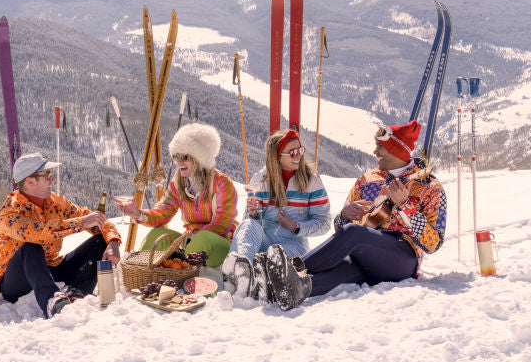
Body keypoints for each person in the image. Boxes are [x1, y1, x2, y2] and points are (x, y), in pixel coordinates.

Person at [262, 120, 447, 311]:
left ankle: (289, 270)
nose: (375, 151)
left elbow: (433, 243)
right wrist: (343, 215)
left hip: (403, 259)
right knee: (345, 270)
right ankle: (288, 289)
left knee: (354, 233)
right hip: (366, 257)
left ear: (396, 150)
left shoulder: (429, 186)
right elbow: (341, 234)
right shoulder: (367, 181)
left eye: (380, 146)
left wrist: (405, 205)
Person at [0, 152, 122, 318]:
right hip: (14, 281)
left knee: (100, 239)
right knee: (31, 247)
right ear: (30, 181)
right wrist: (81, 222)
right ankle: (52, 301)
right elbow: (38, 232)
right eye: (47, 175)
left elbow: (96, 220)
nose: (52, 179)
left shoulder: (56, 202)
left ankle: (77, 293)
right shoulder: (9, 211)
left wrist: (113, 241)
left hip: (49, 268)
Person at [222, 129, 331, 300]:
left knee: (275, 255)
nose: (298, 156)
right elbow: (249, 227)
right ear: (277, 156)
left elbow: (324, 223)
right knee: (248, 225)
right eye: (293, 152)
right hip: (266, 240)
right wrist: (252, 214)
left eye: (300, 150)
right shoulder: (261, 179)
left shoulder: (312, 181)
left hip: (293, 245)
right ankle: (242, 267)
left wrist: (296, 226)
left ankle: (253, 277)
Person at [117, 123, 237, 267]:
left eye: (185, 156)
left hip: (220, 244)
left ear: (200, 158)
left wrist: (189, 240)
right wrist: (139, 214)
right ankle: (141, 270)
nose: (179, 162)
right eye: (176, 156)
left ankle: (179, 268)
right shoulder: (177, 184)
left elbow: (221, 224)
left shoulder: (221, 183)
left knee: (203, 238)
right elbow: (163, 212)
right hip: (189, 243)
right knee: (158, 235)